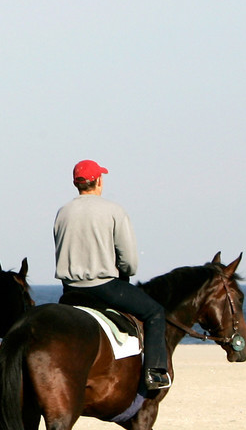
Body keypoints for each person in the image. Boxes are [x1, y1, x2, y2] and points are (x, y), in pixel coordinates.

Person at [53, 160, 171, 395]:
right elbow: (129, 261)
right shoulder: (114, 210)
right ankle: (155, 372)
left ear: (76, 184)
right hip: (104, 286)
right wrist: (124, 271)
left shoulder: (63, 212)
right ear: (98, 181)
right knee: (155, 313)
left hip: (70, 290)